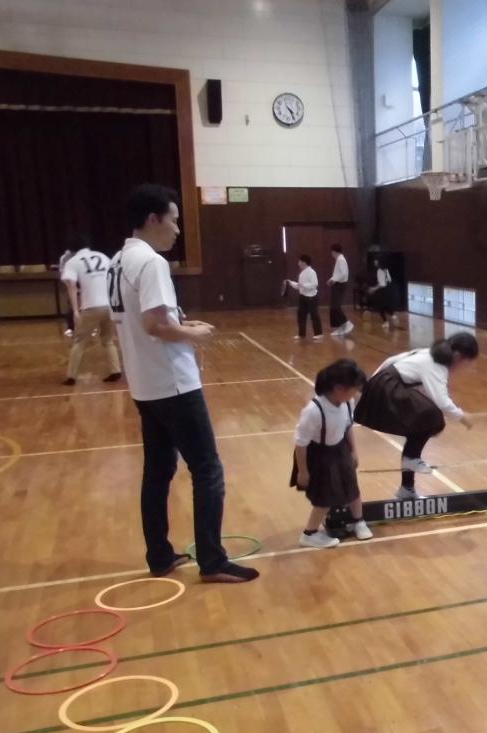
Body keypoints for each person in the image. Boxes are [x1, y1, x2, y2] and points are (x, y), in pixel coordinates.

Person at [110, 183, 258, 583]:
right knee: (207, 469)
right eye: (174, 221)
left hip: (144, 385)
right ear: (153, 219)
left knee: (157, 472)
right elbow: (155, 324)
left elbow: (146, 321)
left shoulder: (118, 261)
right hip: (174, 385)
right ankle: (212, 559)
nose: (178, 230)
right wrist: (193, 335)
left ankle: (159, 555)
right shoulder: (151, 262)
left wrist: (181, 323)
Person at [354, 332, 478, 500]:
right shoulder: (437, 366)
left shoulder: (426, 353)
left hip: (383, 385)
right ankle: (411, 459)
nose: (465, 368)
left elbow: (390, 361)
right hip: (387, 388)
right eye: (466, 363)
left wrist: (372, 384)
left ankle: (407, 488)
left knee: (419, 426)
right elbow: (442, 402)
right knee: (434, 418)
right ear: (457, 356)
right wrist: (463, 417)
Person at [290, 359, 373, 548]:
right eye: (354, 389)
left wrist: (353, 451)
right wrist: (303, 471)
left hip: (340, 448)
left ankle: (358, 521)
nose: (357, 393)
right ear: (338, 388)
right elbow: (301, 443)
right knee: (325, 497)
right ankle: (309, 534)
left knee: (352, 486)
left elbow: (348, 426)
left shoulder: (347, 402)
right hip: (320, 455)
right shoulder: (313, 411)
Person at [60, 234, 121, 386]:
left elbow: (71, 287)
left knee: (79, 340)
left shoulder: (73, 262)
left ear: (71, 250)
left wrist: (75, 311)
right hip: (109, 305)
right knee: (108, 339)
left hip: (91, 306)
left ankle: (71, 376)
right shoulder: (103, 257)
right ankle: (116, 370)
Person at [285, 255, 322, 341]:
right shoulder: (302, 273)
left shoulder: (311, 272)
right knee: (301, 315)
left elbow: (315, 284)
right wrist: (290, 283)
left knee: (314, 315)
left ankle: (318, 334)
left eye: (299, 261)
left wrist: (303, 285)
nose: (298, 263)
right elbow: (299, 286)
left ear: (304, 262)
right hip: (302, 296)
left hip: (312, 297)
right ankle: (301, 334)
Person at [366, 258, 400, 330]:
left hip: (383, 291)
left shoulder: (379, 271)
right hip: (389, 290)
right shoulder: (386, 269)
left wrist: (373, 289)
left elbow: (381, 284)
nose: (374, 262)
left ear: (379, 262)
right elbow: (389, 280)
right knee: (385, 305)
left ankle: (386, 322)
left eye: (376, 261)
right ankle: (393, 316)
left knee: (380, 307)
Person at [327, 244, 353, 337]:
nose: (331, 254)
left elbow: (343, 273)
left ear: (334, 251)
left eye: (332, 251)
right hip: (337, 284)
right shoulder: (339, 259)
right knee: (333, 306)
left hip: (339, 285)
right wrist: (331, 279)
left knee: (336, 306)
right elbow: (338, 273)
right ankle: (338, 327)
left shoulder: (341, 259)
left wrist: (333, 280)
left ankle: (346, 323)